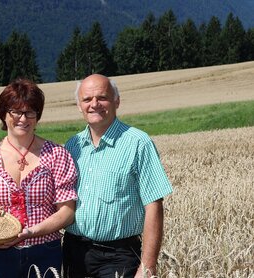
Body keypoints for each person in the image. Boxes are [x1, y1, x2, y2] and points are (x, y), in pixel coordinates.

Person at [62, 74, 173, 278]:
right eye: (87, 99)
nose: (94, 104)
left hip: (118, 256)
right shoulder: (72, 146)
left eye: (102, 97)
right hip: (74, 252)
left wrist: (147, 267)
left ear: (117, 101)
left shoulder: (138, 143)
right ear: (79, 105)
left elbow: (154, 205)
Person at [0, 78, 78, 278]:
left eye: (30, 112)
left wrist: (32, 232)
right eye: (15, 111)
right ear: (4, 114)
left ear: (38, 115)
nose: (23, 118)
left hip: (45, 251)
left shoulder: (57, 155)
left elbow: (67, 212)